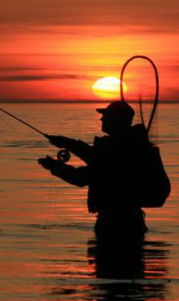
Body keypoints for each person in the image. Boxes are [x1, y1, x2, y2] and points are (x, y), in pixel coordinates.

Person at [38, 101, 152, 240]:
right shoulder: (129, 145)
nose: (101, 119)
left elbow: (83, 177)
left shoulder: (119, 149)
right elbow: (94, 157)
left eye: (106, 116)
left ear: (117, 120)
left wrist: (55, 166)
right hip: (131, 219)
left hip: (115, 222)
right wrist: (67, 143)